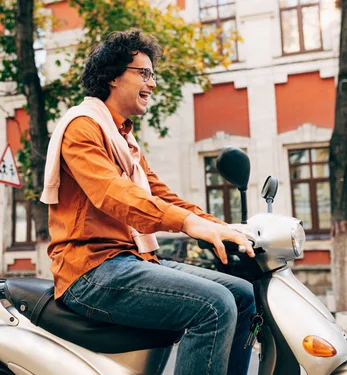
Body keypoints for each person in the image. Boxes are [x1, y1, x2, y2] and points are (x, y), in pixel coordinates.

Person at [40, 29, 256, 375]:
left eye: (152, 75)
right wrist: (187, 224)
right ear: (113, 76)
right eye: (144, 73)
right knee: (214, 306)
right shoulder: (82, 129)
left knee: (244, 294)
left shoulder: (124, 139)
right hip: (91, 270)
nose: (152, 84)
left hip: (131, 259)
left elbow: (159, 194)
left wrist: (223, 227)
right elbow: (114, 194)